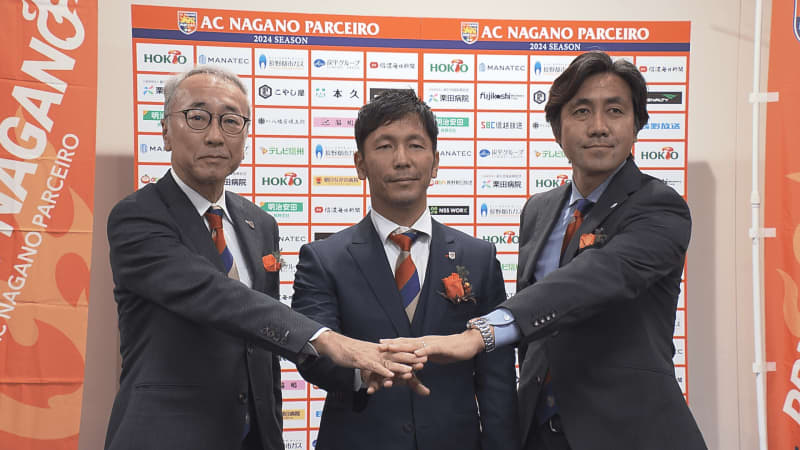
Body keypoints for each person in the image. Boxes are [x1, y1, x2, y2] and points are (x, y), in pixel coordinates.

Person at [385, 51, 707, 449]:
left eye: (615, 111)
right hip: (539, 432)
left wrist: (482, 333)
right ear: (557, 129)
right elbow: (536, 337)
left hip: (630, 433)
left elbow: (595, 277)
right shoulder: (538, 210)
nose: (599, 127)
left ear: (637, 125)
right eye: (581, 112)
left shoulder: (659, 206)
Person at [104, 66, 416, 450]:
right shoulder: (137, 216)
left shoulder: (260, 224)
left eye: (231, 121)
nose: (215, 135)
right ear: (166, 131)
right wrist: (327, 339)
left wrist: (353, 372)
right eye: (198, 117)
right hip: (166, 436)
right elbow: (214, 295)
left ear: (245, 136)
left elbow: (263, 342)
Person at [291, 89, 519, 450]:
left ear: (435, 161)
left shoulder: (478, 256)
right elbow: (312, 354)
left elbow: (497, 377)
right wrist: (362, 369)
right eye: (384, 146)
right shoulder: (323, 258)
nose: (401, 160)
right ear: (360, 163)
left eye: (415, 145)